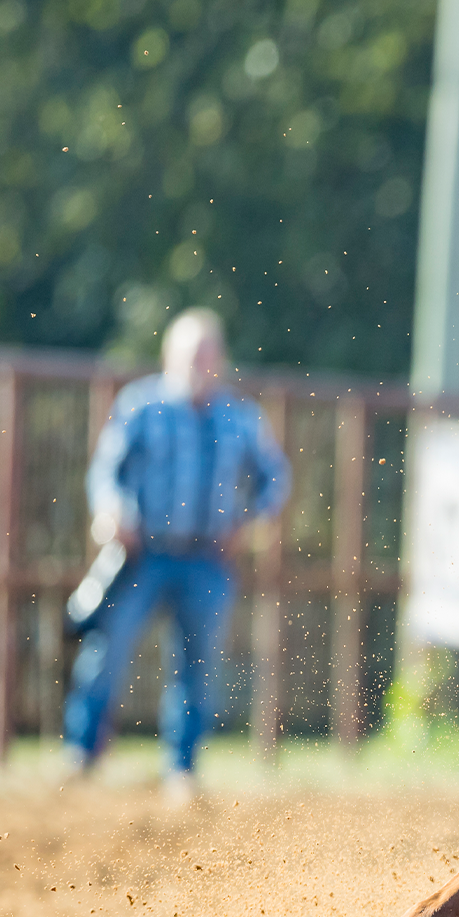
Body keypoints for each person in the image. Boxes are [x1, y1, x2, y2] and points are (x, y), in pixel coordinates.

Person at [63, 308, 290, 801]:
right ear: (169, 355)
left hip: (208, 561)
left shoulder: (242, 418)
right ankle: (81, 755)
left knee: (198, 668)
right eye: (191, 354)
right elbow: (105, 473)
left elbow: (276, 478)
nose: (198, 364)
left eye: (207, 355)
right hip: (141, 556)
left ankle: (181, 769)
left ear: (221, 360)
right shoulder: (140, 407)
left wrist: (251, 523)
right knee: (106, 652)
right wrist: (112, 512)